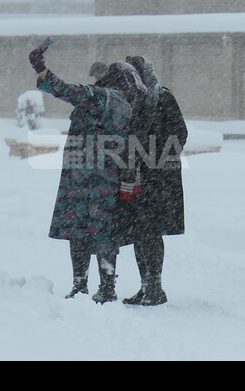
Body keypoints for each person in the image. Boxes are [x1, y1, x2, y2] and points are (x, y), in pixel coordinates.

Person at [29, 43, 146, 304]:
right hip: (107, 177)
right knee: (104, 231)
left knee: (78, 229)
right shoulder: (124, 105)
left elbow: (64, 90)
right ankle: (106, 287)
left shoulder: (99, 95)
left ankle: (80, 285)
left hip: (82, 175)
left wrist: (41, 69)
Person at [118, 55, 188, 307]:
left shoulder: (163, 97)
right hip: (136, 176)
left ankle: (155, 287)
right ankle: (146, 286)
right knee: (139, 231)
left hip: (160, 178)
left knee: (150, 231)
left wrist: (154, 157)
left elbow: (180, 133)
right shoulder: (129, 99)